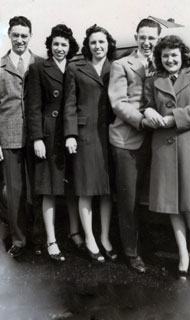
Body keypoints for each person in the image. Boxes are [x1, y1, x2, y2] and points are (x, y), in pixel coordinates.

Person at [143, 35, 190, 279]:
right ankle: (184, 253)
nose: (170, 59)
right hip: (164, 149)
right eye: (165, 56)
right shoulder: (153, 79)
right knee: (172, 206)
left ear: (182, 55)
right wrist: (150, 111)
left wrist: (173, 118)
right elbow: (146, 105)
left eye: (174, 55)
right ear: (159, 58)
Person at [26, 24, 83, 262]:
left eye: (64, 44)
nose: (60, 48)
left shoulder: (75, 68)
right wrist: (37, 138)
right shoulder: (39, 68)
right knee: (49, 188)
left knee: (72, 187)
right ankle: (51, 239)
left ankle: (74, 232)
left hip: (72, 133)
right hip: (50, 134)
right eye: (56, 44)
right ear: (50, 46)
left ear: (70, 48)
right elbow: (34, 107)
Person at [108, 18, 161, 273]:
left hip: (158, 140)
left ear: (157, 39)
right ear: (136, 37)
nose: (147, 42)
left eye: (152, 38)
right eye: (143, 37)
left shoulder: (162, 62)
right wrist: (142, 121)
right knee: (129, 201)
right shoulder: (121, 64)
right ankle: (131, 253)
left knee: (152, 197)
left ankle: (150, 247)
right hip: (128, 139)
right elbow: (118, 103)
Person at [64, 24, 117, 263]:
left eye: (102, 42)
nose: (98, 46)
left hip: (111, 135)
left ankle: (105, 237)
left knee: (106, 190)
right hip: (85, 135)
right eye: (94, 42)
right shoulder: (76, 67)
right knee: (86, 188)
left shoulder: (115, 66)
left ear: (108, 44)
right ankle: (89, 238)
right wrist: (70, 134)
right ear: (88, 45)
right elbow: (69, 104)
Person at [0, 16, 44, 257]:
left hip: (37, 138)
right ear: (9, 35)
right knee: (15, 191)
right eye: (15, 35)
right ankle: (18, 240)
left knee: (37, 189)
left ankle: (38, 238)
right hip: (10, 136)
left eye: (24, 35)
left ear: (30, 36)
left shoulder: (40, 63)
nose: (19, 39)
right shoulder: (1, 66)